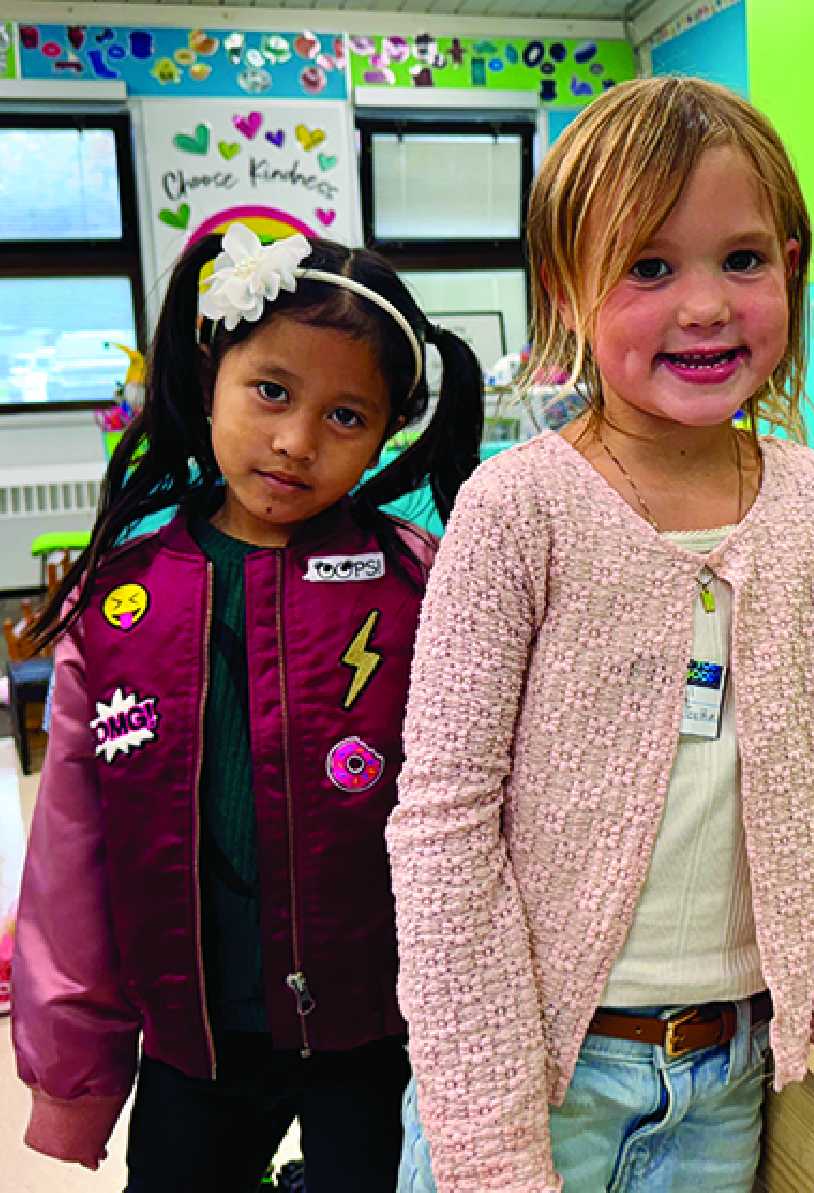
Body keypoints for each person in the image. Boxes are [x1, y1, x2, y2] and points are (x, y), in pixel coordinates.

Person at [389, 78, 814, 1193]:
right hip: (538, 1083)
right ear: (567, 288)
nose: (705, 306)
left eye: (741, 260)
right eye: (649, 267)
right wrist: (491, 1144)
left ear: (789, 265)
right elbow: (445, 826)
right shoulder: (516, 508)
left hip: (730, 1079)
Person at [12, 222, 484, 1192]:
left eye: (346, 414)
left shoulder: (422, 583)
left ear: (388, 429)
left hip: (379, 1032)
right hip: (194, 1039)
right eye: (271, 390)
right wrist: (73, 1069)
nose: (297, 441)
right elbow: (70, 850)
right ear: (209, 376)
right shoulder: (121, 599)